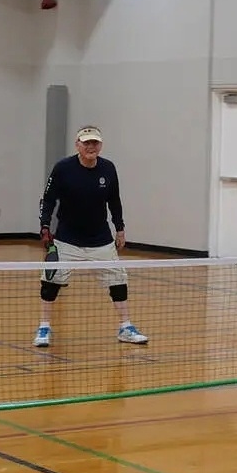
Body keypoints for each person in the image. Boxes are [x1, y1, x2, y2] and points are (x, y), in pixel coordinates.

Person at [34, 125, 148, 347]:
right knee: (50, 281)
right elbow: (48, 199)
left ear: (101, 146)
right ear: (77, 145)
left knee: (118, 280)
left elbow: (114, 201)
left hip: (100, 239)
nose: (91, 147)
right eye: (86, 143)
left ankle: (126, 327)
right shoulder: (63, 168)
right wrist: (45, 226)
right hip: (67, 239)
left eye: (95, 143)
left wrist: (120, 228)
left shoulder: (108, 169)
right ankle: (44, 327)